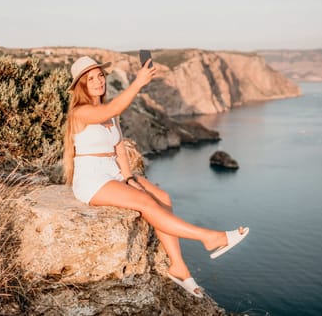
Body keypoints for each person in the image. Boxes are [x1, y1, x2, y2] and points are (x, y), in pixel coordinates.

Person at [63, 56, 249, 298]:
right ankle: (210, 237)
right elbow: (114, 108)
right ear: (81, 86)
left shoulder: (109, 113)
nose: (98, 81)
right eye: (91, 78)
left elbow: (118, 145)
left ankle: (179, 268)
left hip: (112, 171)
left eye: (100, 75)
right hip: (92, 178)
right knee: (145, 203)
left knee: (161, 196)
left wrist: (129, 177)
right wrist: (138, 83)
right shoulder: (81, 112)